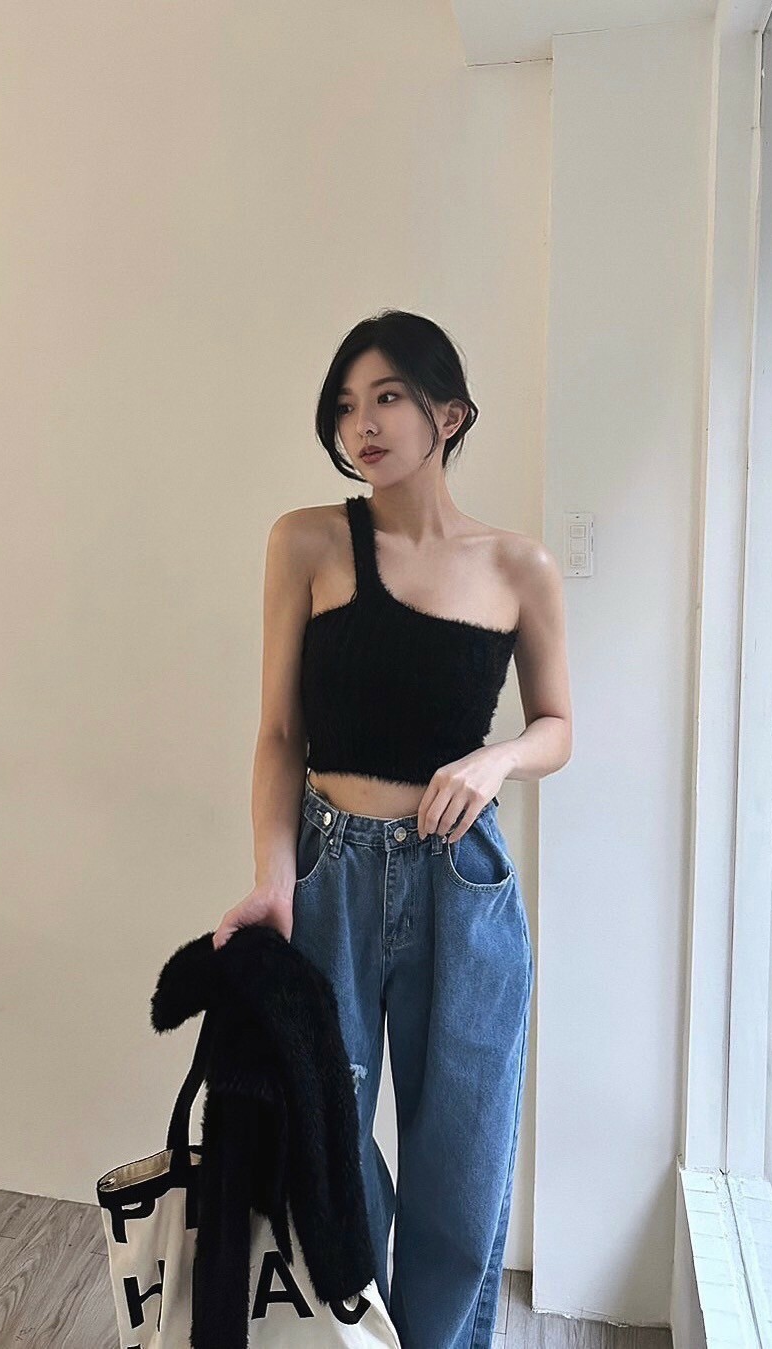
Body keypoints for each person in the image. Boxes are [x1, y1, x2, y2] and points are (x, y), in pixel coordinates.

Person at [212, 309, 573, 1348]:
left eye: (385, 398)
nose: (360, 424)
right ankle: (353, 1339)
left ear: (447, 414)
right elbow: (278, 734)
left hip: (461, 882)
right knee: (325, 1138)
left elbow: (556, 727)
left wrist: (493, 758)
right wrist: (272, 875)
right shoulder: (308, 542)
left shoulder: (518, 568)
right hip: (327, 872)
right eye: (344, 405)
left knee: (462, 1156)